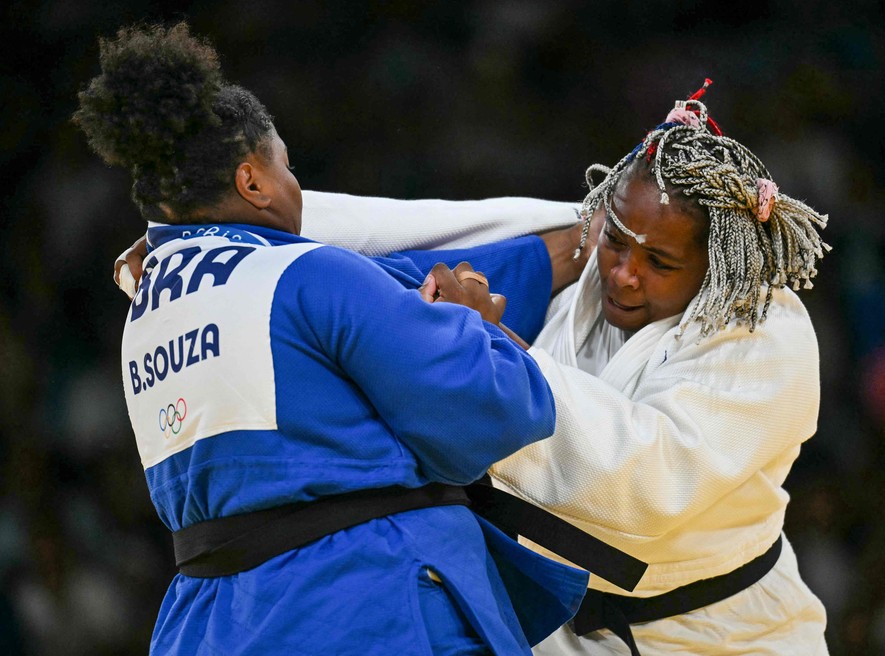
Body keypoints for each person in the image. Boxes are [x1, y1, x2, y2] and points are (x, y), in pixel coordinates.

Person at [115, 84, 832, 653]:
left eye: (659, 262)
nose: (624, 274)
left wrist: (492, 352)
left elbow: (651, 488)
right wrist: (199, 237)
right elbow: (417, 229)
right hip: (561, 633)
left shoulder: (764, 331)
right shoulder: (587, 266)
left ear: (718, 266)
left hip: (727, 635)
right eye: (614, 241)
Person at [77, 22, 590, 655]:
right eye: (287, 167)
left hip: (217, 623)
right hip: (368, 604)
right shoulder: (306, 274)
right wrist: (482, 333)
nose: (297, 188)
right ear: (252, 183)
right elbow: (488, 415)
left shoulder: (145, 308)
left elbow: (389, 285)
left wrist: (562, 250)